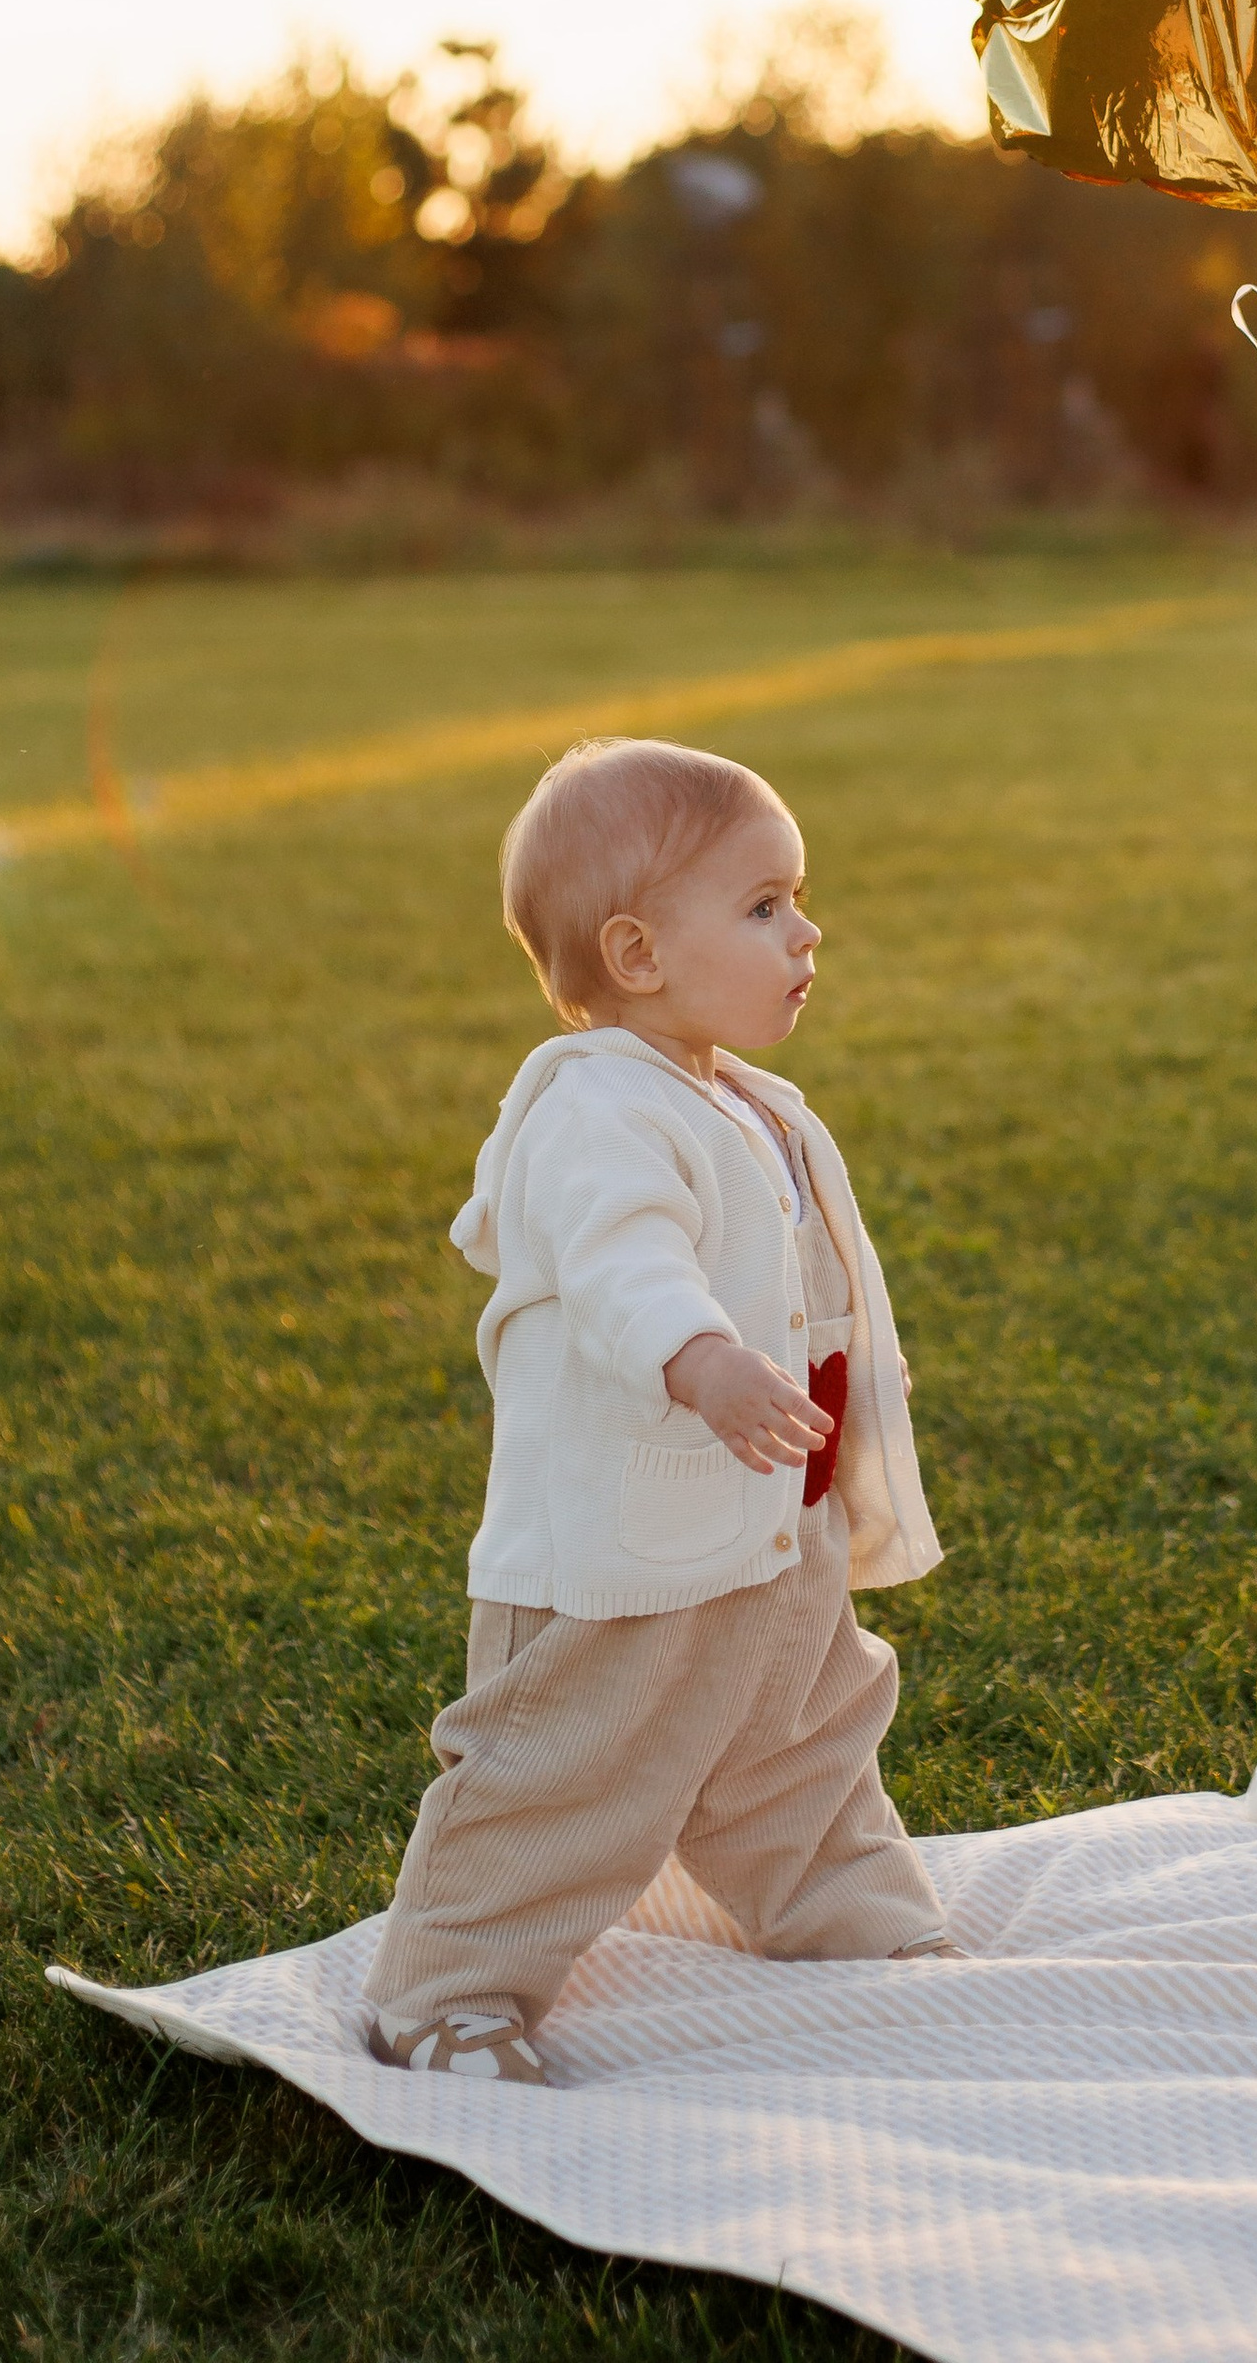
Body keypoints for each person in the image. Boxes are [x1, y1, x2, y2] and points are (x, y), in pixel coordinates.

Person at [362, 735, 953, 2081]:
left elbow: (807, 1271)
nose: (807, 929)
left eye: (798, 898)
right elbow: (625, 1261)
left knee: (804, 1739)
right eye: (763, 908)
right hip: (622, 1554)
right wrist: (700, 1357)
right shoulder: (593, 1113)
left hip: (767, 1525)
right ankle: (446, 1994)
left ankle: (853, 1921)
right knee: (568, 1770)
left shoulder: (744, 1098)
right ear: (636, 954)